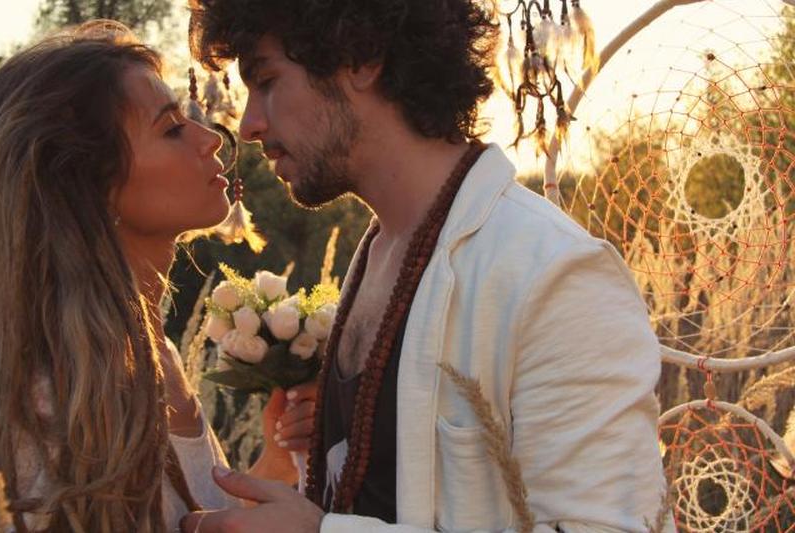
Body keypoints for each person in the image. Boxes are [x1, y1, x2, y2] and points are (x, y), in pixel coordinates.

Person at [182, 0, 674, 532]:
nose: (249, 125)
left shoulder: (554, 273)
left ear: (361, 58)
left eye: (267, 81)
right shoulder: (382, 252)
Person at [0, 21, 314, 532]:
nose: (210, 139)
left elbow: (187, 516)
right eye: (171, 129)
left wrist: (276, 464)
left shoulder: (146, 349)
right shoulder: (50, 392)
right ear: (88, 183)